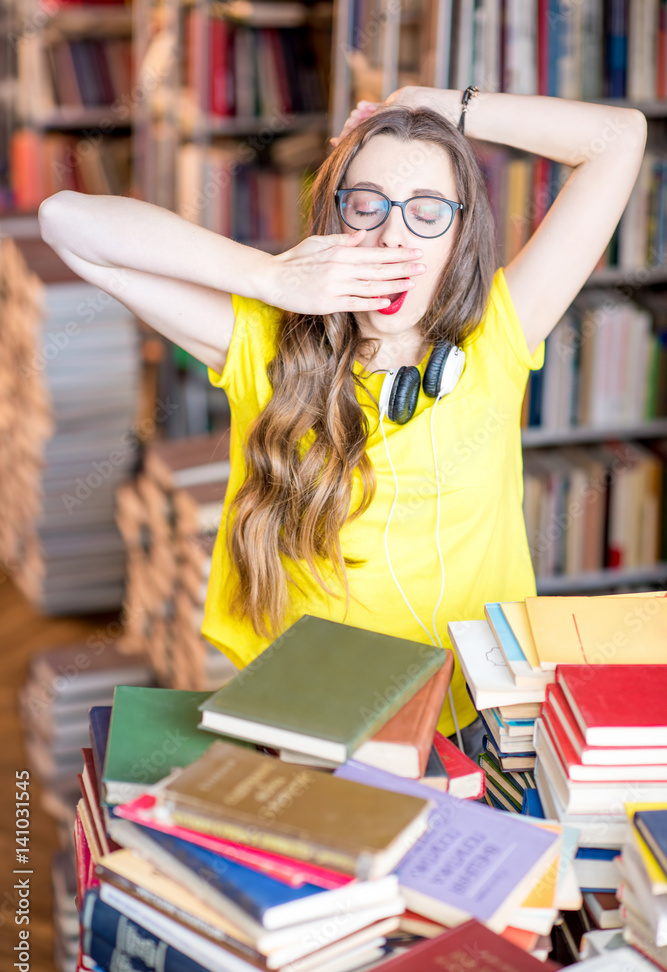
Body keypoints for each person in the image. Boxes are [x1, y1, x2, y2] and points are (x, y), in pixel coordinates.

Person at [38, 87, 647, 758]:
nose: (392, 235)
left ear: (458, 237)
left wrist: (435, 102)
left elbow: (617, 139)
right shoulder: (264, 347)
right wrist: (269, 278)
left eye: (426, 213)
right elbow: (67, 220)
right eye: (367, 206)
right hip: (305, 712)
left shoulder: (498, 338)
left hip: (473, 714)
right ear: (333, 220)